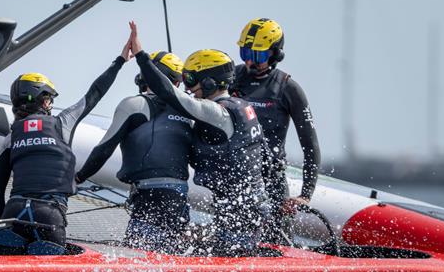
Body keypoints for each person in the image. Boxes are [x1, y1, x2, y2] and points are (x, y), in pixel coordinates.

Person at [128, 22, 268, 256]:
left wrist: (142, 56)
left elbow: (171, 95)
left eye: (192, 78)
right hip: (245, 207)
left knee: (227, 264)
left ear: (210, 81)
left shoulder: (217, 112)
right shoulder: (242, 107)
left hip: (240, 212)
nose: (189, 86)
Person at [0, 34, 132, 248]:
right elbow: (95, 93)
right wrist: (119, 61)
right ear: (45, 100)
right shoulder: (62, 123)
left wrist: (6, 223)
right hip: (49, 214)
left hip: (14, 211)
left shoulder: (11, 137)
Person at [75, 51, 192, 253]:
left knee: (139, 263)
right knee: (169, 264)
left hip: (150, 199)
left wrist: (78, 178)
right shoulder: (191, 111)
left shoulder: (134, 104)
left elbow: (104, 149)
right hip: (180, 200)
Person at [232, 18, 321, 242]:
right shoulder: (231, 78)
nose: (250, 62)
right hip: (235, 180)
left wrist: (305, 196)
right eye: (245, 54)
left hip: (272, 183)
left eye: (258, 56)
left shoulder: (289, 89)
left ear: (275, 54)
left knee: (277, 243)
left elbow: (310, 145)